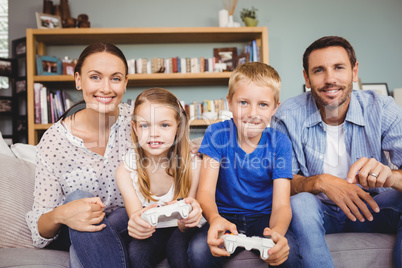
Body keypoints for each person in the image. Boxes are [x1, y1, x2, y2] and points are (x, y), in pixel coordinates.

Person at [271, 36, 402, 267]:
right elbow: (283, 182)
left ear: (354, 71)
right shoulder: (287, 116)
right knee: (300, 202)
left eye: (339, 68)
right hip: (320, 213)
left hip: (372, 207)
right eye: (319, 70)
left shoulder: (382, 108)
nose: (330, 79)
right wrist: (321, 182)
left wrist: (391, 177)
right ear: (307, 77)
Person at [26, 42, 133, 268]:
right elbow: (40, 229)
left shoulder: (139, 122)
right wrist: (61, 214)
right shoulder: (55, 141)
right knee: (77, 199)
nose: (106, 88)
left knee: (83, 249)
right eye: (95, 77)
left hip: (133, 227)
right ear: (78, 80)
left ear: (125, 83)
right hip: (79, 231)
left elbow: (174, 152)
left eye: (115, 78)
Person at [188, 62, 302, 267]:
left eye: (263, 105)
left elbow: (282, 205)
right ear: (229, 103)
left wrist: (276, 233)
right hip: (224, 216)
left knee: (289, 255)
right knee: (197, 251)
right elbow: (204, 191)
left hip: (264, 218)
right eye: (243, 103)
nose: (253, 112)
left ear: (275, 107)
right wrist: (214, 219)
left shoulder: (280, 142)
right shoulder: (216, 134)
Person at [116, 87, 203, 267]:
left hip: (182, 228)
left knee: (177, 250)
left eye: (164, 125)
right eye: (145, 125)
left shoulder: (193, 164)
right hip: (153, 229)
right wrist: (136, 226)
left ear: (177, 127)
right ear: (135, 128)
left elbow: (185, 225)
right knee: (136, 253)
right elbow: (137, 219)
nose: (154, 133)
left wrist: (188, 218)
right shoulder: (126, 170)